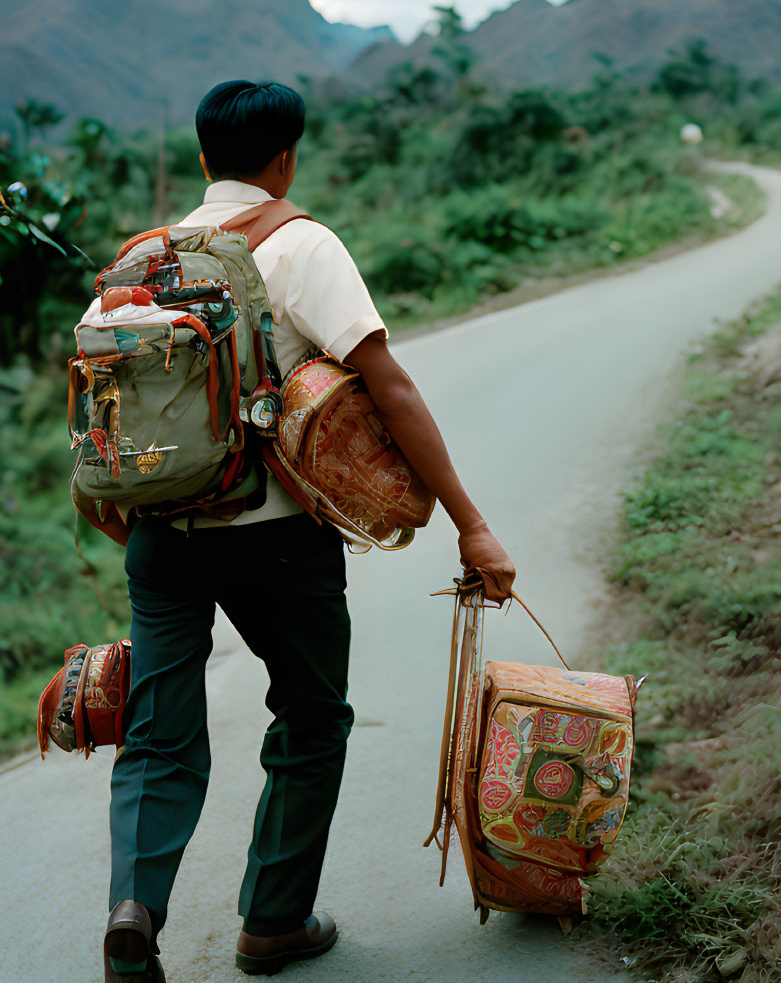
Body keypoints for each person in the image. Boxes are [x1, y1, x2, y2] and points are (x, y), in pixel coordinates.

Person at [102, 80, 516, 981]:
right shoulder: (301, 245)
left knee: (157, 731)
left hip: (159, 535)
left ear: (206, 159)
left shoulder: (140, 258)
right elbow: (389, 387)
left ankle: (132, 905)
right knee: (311, 713)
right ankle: (273, 922)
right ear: (286, 156)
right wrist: (470, 525)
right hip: (276, 535)